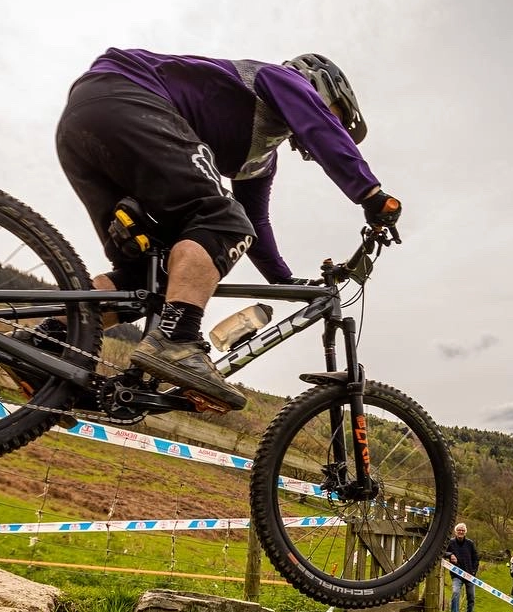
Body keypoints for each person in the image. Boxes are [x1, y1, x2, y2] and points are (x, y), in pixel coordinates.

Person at [50, 48, 402, 411]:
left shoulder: (261, 157)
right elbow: (235, 220)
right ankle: (177, 339)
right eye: (336, 116)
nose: (335, 127)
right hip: (128, 99)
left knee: (149, 277)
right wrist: (371, 195)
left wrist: (284, 280)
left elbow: (256, 223)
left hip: (86, 122)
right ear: (319, 87)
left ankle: (49, 340)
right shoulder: (281, 79)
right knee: (223, 221)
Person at [442, 523, 480, 612]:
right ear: (455, 531)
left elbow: (476, 558)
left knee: (471, 597)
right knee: (455, 592)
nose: (461, 532)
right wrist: (450, 554)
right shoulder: (450, 542)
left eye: (463, 530)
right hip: (456, 574)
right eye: (459, 530)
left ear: (465, 532)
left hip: (469, 574)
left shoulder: (470, 543)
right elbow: (441, 552)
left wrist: (473, 571)